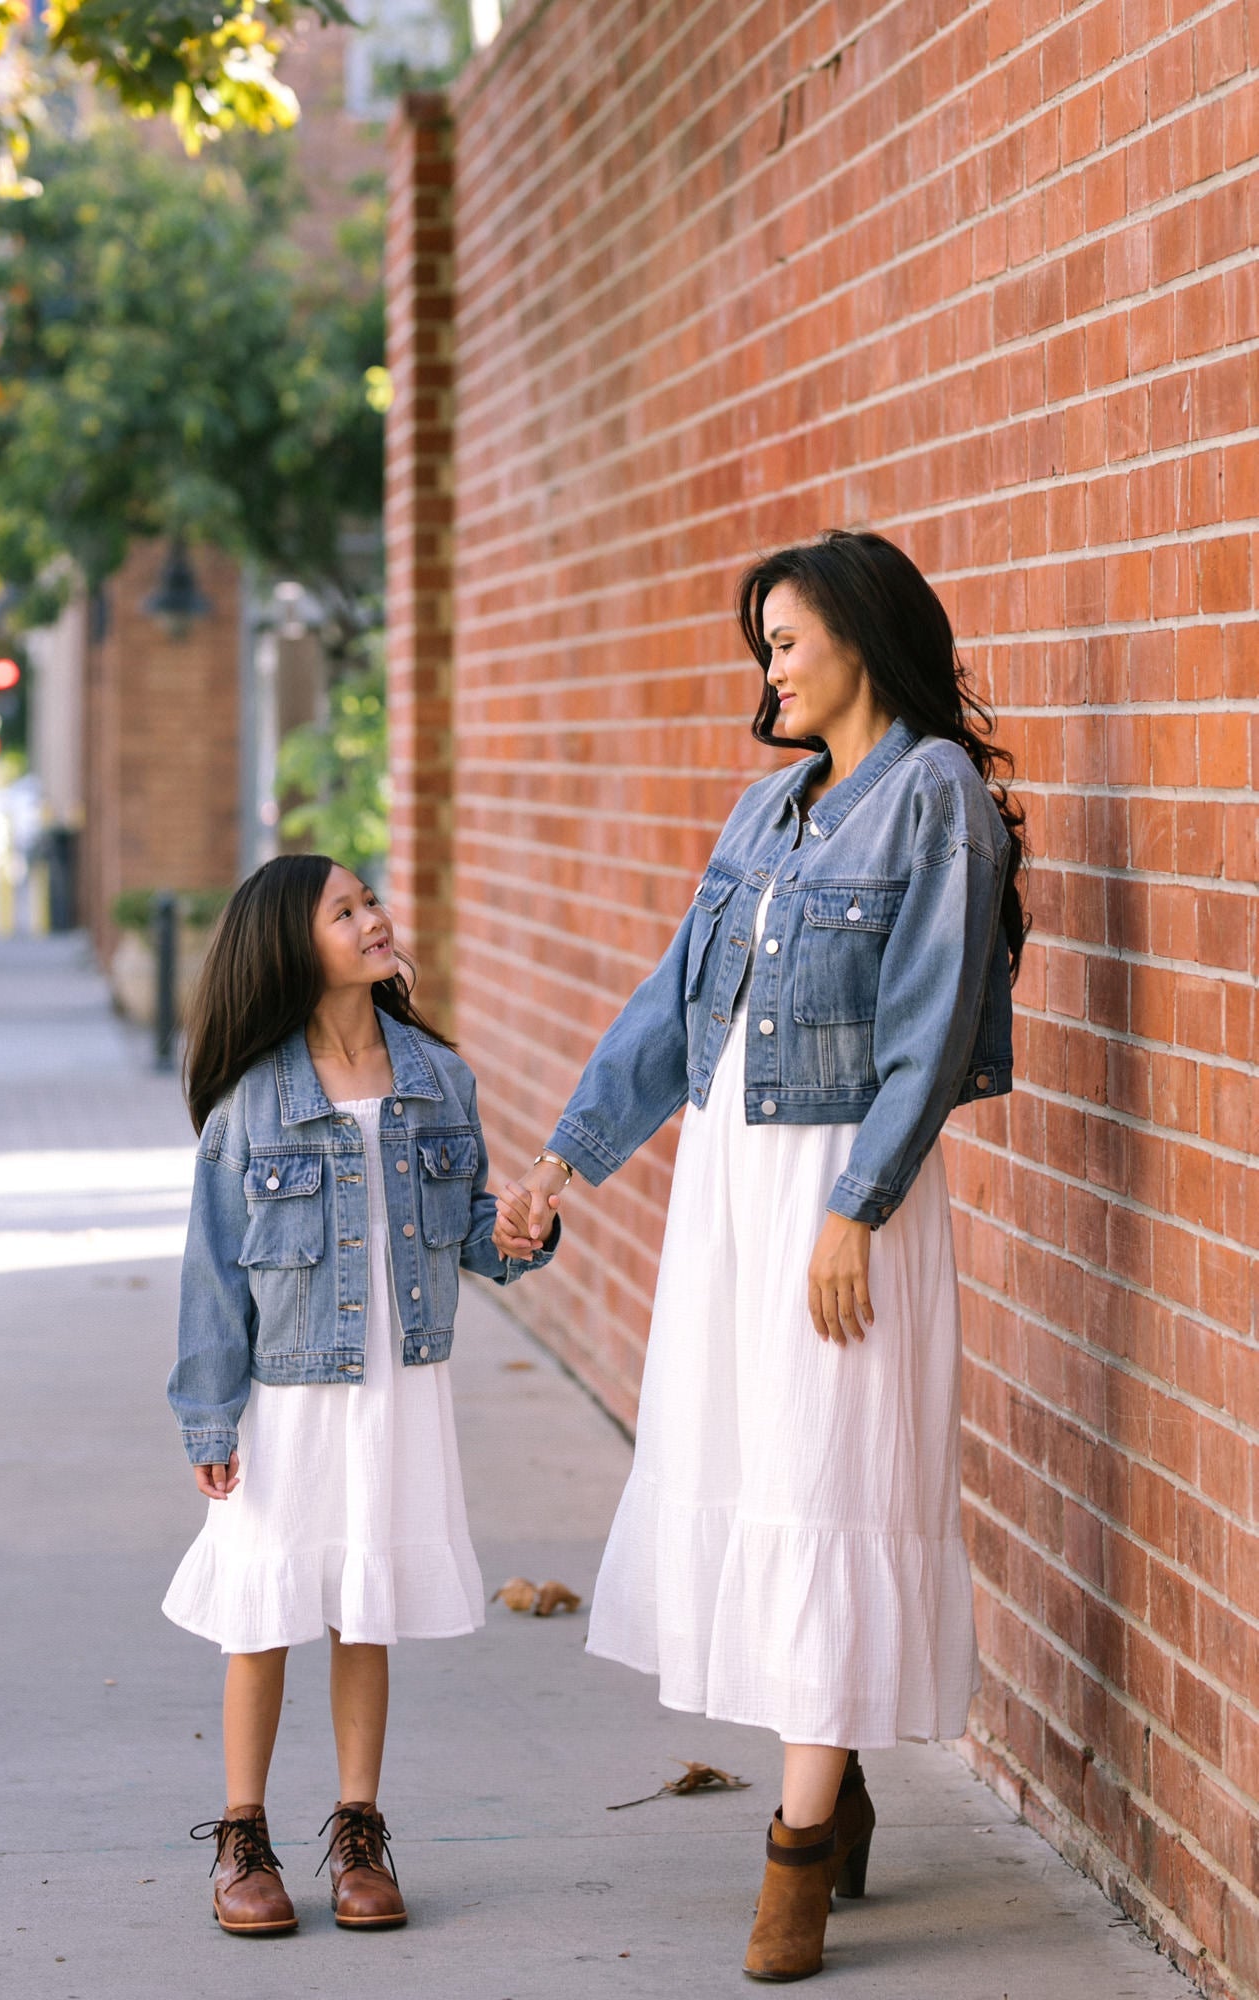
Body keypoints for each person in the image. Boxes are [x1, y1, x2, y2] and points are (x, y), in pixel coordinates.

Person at [494, 530, 1026, 1983]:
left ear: (861, 636)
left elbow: (927, 1026)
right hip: (732, 1184)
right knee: (756, 1465)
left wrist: (854, 1209)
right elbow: (674, 1004)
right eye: (764, 648)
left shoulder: (935, 803)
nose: (770, 670)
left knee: (831, 1478)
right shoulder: (768, 806)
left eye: (786, 641)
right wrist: (559, 1161)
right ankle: (830, 1785)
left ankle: (797, 1848)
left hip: (844, 1189)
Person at [164, 855, 557, 1938]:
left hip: (399, 1383)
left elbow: (475, 1234)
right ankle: (243, 1832)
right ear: (294, 944)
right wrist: (209, 1411)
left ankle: (358, 1826)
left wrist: (525, 1230)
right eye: (345, 910)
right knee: (264, 1607)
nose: (375, 918)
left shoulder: (437, 1074)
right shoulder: (254, 1099)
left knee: (360, 1602)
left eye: (370, 900)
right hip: (285, 1395)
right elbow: (211, 1270)